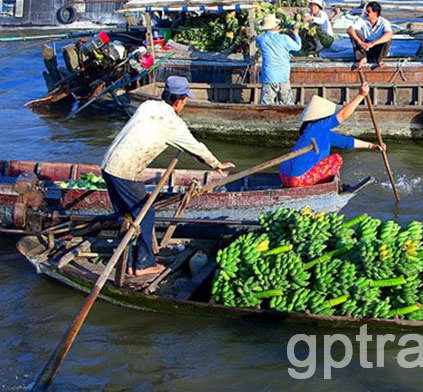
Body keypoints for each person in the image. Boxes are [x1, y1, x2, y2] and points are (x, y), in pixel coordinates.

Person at [100, 76, 234, 276]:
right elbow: (196, 148)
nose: (185, 104)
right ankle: (143, 265)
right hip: (124, 171)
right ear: (178, 101)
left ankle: (129, 262)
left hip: (107, 165)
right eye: (185, 100)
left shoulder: (148, 105)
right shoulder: (173, 123)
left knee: (126, 216)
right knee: (145, 215)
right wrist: (216, 164)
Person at [279, 83, 384, 187]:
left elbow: (347, 142)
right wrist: (361, 95)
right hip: (297, 179)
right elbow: (342, 115)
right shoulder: (318, 126)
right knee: (336, 159)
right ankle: (324, 188)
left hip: (284, 176)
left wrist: (372, 146)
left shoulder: (316, 130)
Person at [255, 14, 301, 105]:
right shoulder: (284, 38)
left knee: (266, 105)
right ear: (276, 26)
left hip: (268, 76)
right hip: (283, 76)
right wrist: (296, 34)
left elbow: (256, 35)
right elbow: (298, 47)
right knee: (287, 104)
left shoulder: (261, 39)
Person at [347, 1, 393, 69]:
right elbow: (349, 30)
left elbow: (389, 34)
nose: (366, 13)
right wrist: (360, 42)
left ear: (375, 13)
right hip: (364, 47)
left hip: (376, 47)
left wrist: (373, 43)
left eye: (369, 11)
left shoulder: (384, 22)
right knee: (355, 32)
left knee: (387, 39)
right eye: (366, 11)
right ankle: (362, 57)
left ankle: (378, 59)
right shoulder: (363, 19)